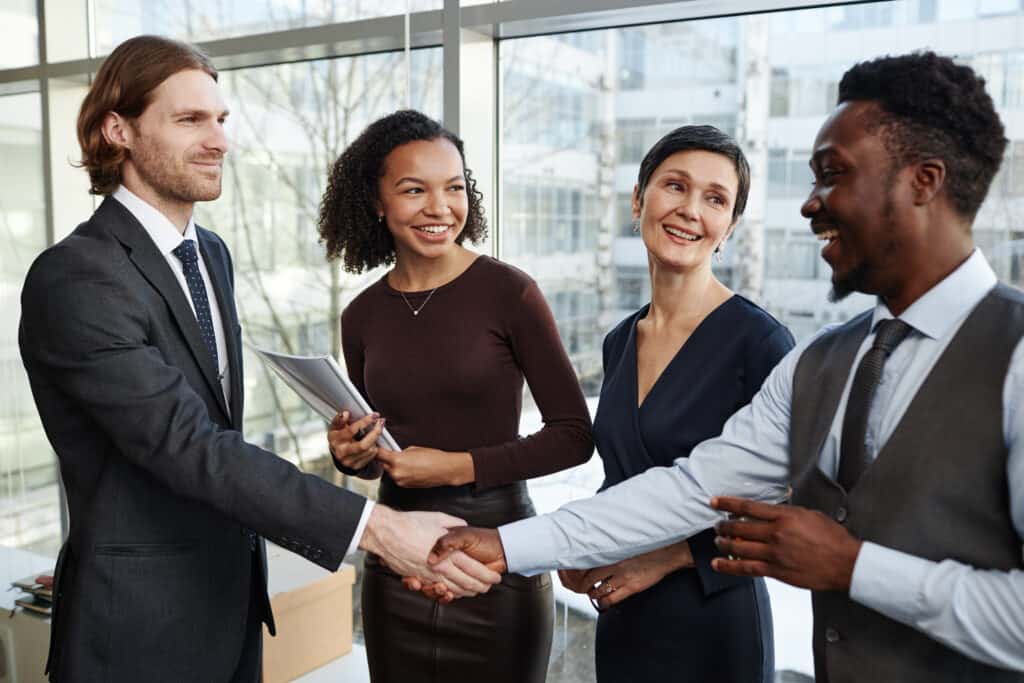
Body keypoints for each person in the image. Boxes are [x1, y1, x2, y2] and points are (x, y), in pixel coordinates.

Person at [435, 51, 1024, 682]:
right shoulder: (824, 361)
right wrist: (508, 546)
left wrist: (852, 567)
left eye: (833, 176)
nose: (810, 206)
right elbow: (691, 488)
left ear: (922, 181)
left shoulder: (1013, 353)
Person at [17, 36, 498, 683]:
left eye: (220, 119)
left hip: (231, 611)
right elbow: (190, 446)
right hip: (135, 631)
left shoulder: (208, 253)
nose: (217, 139)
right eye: (189, 120)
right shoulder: (77, 276)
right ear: (117, 129)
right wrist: (376, 528)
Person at [317, 109, 593, 683]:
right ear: (376, 201)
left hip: (496, 558)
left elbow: (574, 436)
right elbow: (379, 457)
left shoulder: (510, 293)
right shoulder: (361, 316)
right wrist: (353, 453)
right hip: (396, 567)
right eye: (414, 190)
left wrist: (458, 466)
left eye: (454, 188)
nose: (440, 208)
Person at [553, 125, 793, 682]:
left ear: (729, 227)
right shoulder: (620, 340)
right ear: (639, 200)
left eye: (715, 199)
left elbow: (791, 501)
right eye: (674, 186)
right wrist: (585, 542)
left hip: (714, 619)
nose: (689, 210)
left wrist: (663, 558)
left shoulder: (759, 344)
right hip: (624, 615)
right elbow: (625, 477)